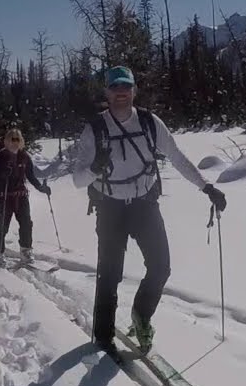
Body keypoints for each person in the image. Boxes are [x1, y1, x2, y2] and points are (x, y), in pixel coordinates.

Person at [71, 66, 227, 353]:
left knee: (160, 267)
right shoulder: (94, 129)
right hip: (110, 209)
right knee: (110, 274)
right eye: (115, 86)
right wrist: (95, 167)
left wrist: (207, 187)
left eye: (126, 86)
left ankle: (141, 316)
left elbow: (177, 157)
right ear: (106, 92)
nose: (121, 92)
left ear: (133, 90)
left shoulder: (148, 121)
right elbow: (78, 180)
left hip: (144, 204)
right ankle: (103, 335)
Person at [0, 128, 50, 267]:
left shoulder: (24, 156)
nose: (15, 142)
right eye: (12, 139)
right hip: (4, 197)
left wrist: (41, 188)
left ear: (21, 141)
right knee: (2, 227)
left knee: (26, 224)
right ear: (7, 140)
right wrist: (3, 176)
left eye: (17, 139)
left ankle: (26, 252)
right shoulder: (1, 156)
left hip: (21, 196)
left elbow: (31, 176)